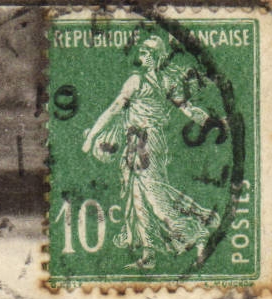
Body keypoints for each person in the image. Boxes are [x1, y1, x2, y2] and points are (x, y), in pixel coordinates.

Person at [81, 35, 220, 269]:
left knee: (154, 196)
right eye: (142, 52)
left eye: (147, 53)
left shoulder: (140, 81)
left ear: (156, 57)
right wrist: (209, 121)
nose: (142, 56)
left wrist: (93, 135)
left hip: (145, 144)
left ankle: (196, 230)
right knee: (137, 197)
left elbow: (115, 109)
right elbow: (188, 109)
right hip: (138, 142)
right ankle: (149, 254)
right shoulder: (160, 82)